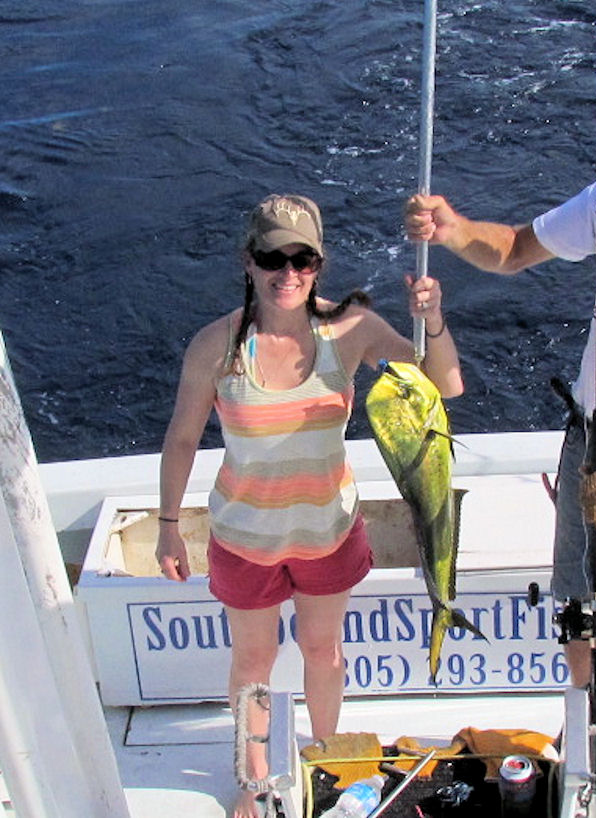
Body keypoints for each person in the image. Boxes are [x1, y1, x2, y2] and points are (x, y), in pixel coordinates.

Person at [156, 193, 463, 818]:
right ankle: (252, 775)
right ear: (248, 261)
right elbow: (182, 438)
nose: (287, 273)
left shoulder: (350, 329)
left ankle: (324, 757)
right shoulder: (215, 345)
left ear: (319, 264)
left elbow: (446, 384)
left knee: (323, 651)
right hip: (245, 538)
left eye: (303, 259)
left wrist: (432, 321)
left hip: (328, 531)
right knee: (253, 662)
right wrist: (167, 528)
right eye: (273, 257)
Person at [405, 180, 596, 692]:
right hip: (592, 442)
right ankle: (587, 724)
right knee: (579, 606)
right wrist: (454, 230)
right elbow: (513, 249)